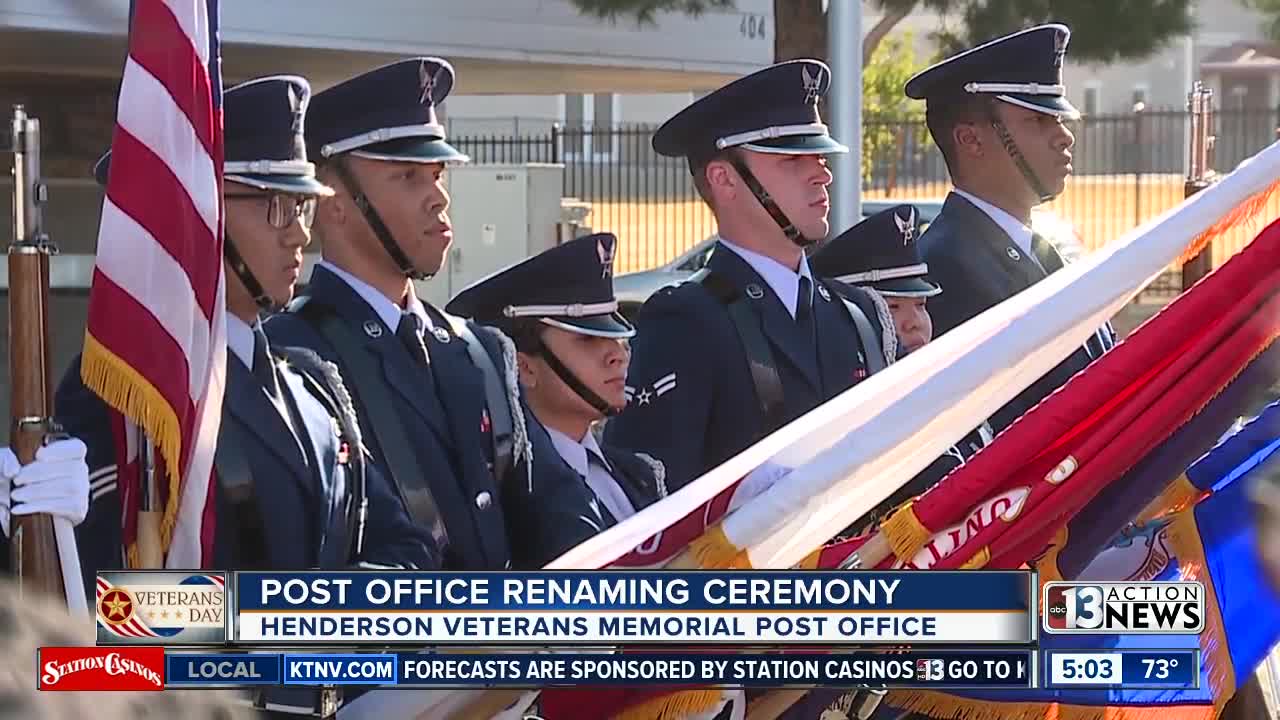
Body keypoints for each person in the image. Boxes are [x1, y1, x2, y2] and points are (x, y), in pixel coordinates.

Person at [266, 57, 586, 571]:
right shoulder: (292, 357)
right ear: (334, 204)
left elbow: (558, 511)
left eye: (437, 175)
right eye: (409, 177)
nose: (438, 198)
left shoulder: (480, 350)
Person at [605, 60, 894, 490]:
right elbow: (655, 505)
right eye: (793, 159)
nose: (823, 172)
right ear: (723, 179)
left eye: (818, 155)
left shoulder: (861, 315)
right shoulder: (687, 321)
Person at [906, 24, 1115, 432]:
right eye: (1039, 121)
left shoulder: (1049, 251)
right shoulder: (942, 270)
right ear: (970, 140)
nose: (1064, 136)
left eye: (1059, 118)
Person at [446, 232, 667, 559]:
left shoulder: (641, 475)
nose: (617, 355)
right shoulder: (509, 501)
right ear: (523, 367)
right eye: (587, 340)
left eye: (615, 337)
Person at [811, 204, 993, 525]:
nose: (914, 323)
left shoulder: (949, 393)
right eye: (892, 306)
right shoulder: (842, 413)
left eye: (920, 305)